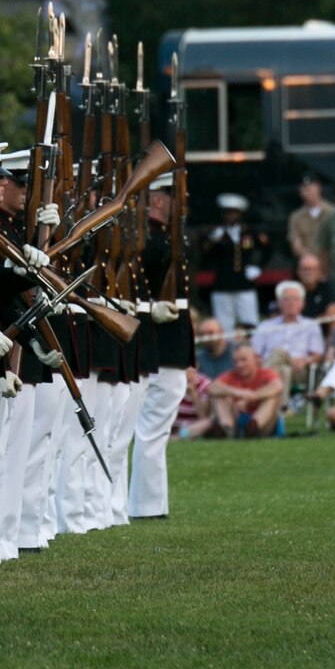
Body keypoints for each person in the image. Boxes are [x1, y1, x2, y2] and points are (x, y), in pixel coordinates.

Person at [129, 171, 196, 519]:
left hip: (168, 342)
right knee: (152, 428)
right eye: (171, 196)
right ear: (158, 199)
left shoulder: (161, 238)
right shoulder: (148, 240)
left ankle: (148, 503)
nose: (176, 204)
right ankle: (146, 505)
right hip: (161, 342)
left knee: (153, 428)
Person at [250, 280, 323, 409]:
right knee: (283, 369)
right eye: (287, 299)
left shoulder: (311, 325)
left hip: (299, 370)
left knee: (278, 351)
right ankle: (283, 408)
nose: (291, 302)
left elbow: (318, 355)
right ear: (278, 303)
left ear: (302, 303)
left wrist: (306, 360)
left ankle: (258, 393)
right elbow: (254, 354)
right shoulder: (265, 326)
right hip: (274, 367)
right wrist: (261, 363)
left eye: (295, 299)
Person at [202, 193, 267, 334]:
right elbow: (205, 256)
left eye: (233, 213)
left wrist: (258, 267)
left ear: (240, 214)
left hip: (244, 284)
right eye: (227, 213)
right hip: (222, 285)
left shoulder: (249, 232)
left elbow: (267, 249)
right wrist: (213, 241)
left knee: (250, 324)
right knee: (224, 326)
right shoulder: (216, 234)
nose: (230, 216)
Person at [207, 343, 283, 438]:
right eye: (236, 362)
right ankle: (226, 428)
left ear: (255, 358)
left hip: (264, 424)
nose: (239, 365)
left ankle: (254, 426)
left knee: (273, 396)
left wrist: (252, 396)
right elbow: (211, 387)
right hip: (236, 417)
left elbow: (277, 386)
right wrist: (236, 392)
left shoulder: (266, 373)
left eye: (243, 360)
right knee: (219, 395)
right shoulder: (231, 376)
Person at [288, 175, 335, 260]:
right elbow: (296, 245)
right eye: (302, 190)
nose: (305, 193)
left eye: (308, 189)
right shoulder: (296, 217)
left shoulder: (334, 213)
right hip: (308, 265)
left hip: (331, 263)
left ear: (318, 188)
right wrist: (311, 259)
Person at [295, 252, 335, 329]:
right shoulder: (291, 289)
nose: (308, 273)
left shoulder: (327, 288)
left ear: (319, 272)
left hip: (321, 334)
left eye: (312, 269)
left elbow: (332, 317)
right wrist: (320, 318)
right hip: (295, 333)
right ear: (298, 271)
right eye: (305, 269)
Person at [172, 367, 214, 439]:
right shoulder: (171, 381)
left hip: (192, 425)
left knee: (207, 423)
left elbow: (203, 416)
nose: (186, 371)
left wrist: (193, 393)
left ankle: (178, 437)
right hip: (173, 424)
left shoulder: (204, 383)